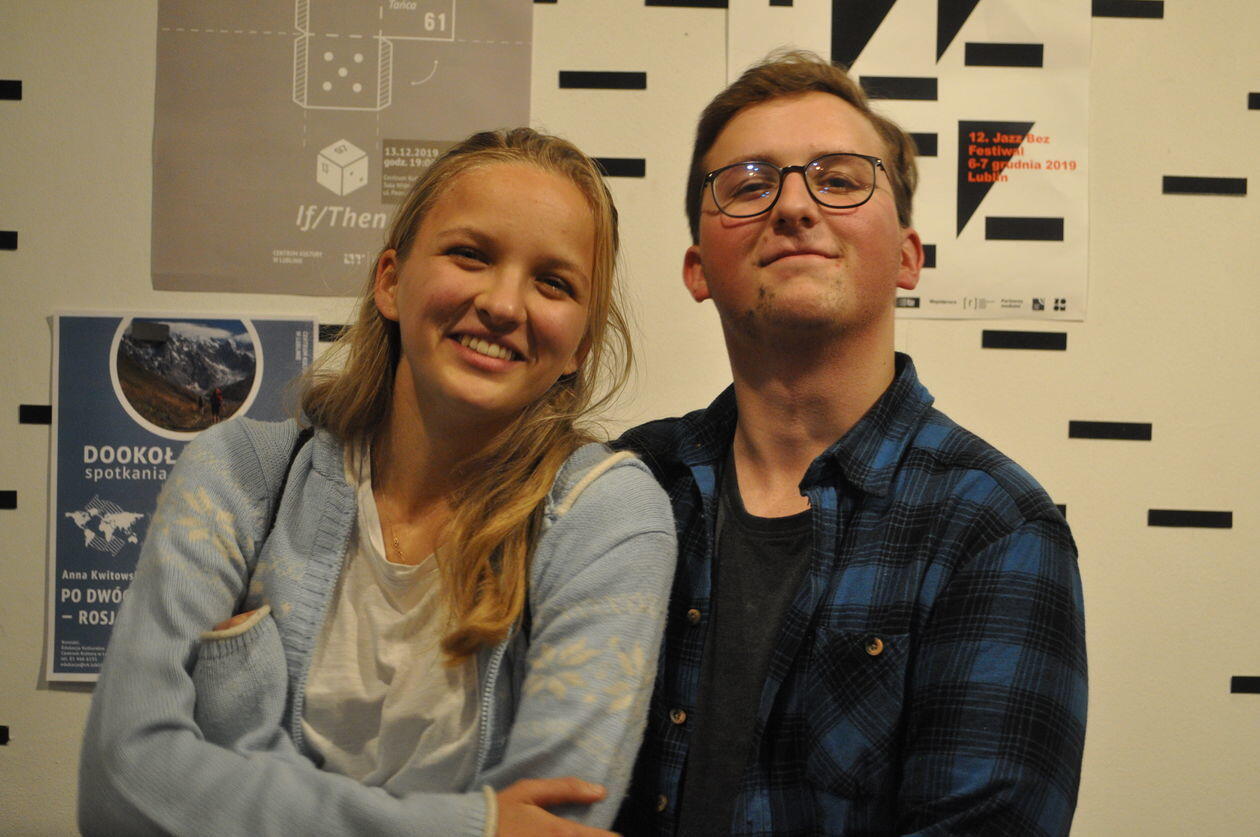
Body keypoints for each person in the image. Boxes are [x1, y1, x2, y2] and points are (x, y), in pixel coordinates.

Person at [79, 128, 677, 836]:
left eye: (553, 282)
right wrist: (470, 826)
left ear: (581, 343)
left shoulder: (607, 515)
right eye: (471, 254)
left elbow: (556, 827)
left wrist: (235, 775)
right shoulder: (238, 471)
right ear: (390, 281)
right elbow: (120, 785)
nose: (504, 304)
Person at [613, 51, 1087, 835]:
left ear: (908, 256)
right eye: (750, 185)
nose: (794, 206)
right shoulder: (628, 485)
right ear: (698, 269)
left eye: (838, 180)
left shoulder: (995, 525)